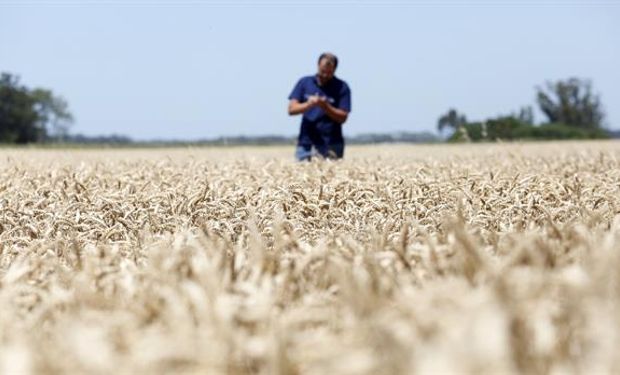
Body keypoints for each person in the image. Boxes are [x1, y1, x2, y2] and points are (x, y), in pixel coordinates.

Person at [288, 52, 351, 161]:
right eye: (323, 71)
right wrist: (308, 104)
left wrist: (325, 106)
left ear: (335, 69)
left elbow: (343, 117)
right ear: (318, 66)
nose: (325, 75)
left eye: (329, 72)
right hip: (306, 143)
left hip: (332, 144)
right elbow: (291, 109)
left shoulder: (342, 87)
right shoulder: (304, 82)